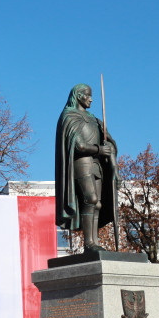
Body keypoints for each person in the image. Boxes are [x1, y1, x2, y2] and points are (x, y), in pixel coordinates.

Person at [55, 83, 119, 251]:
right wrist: (99, 149)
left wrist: (113, 165)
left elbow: (109, 143)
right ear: (78, 96)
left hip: (96, 165)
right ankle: (88, 243)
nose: (91, 99)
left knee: (97, 203)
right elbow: (79, 146)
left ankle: (95, 242)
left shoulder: (94, 119)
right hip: (81, 163)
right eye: (88, 95)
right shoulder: (69, 116)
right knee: (90, 199)